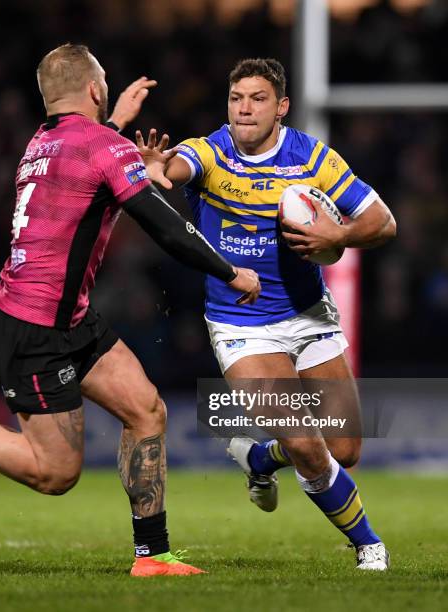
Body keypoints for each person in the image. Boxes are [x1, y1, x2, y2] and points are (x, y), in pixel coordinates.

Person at [0, 44, 261, 578]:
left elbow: (90, 156)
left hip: (63, 318)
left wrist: (116, 121)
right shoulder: (101, 147)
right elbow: (163, 225)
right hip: (33, 331)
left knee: (145, 410)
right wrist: (231, 271)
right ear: (95, 90)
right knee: (55, 474)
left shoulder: (41, 142)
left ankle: (153, 555)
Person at [136, 58, 396, 571]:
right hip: (241, 323)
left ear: (281, 108)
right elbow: (177, 166)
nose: (244, 109)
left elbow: (383, 222)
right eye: (236, 99)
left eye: (257, 99)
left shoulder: (312, 159)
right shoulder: (211, 151)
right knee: (305, 442)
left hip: (309, 313)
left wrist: (339, 235)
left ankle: (258, 458)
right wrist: (156, 168)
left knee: (344, 449)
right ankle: (369, 545)